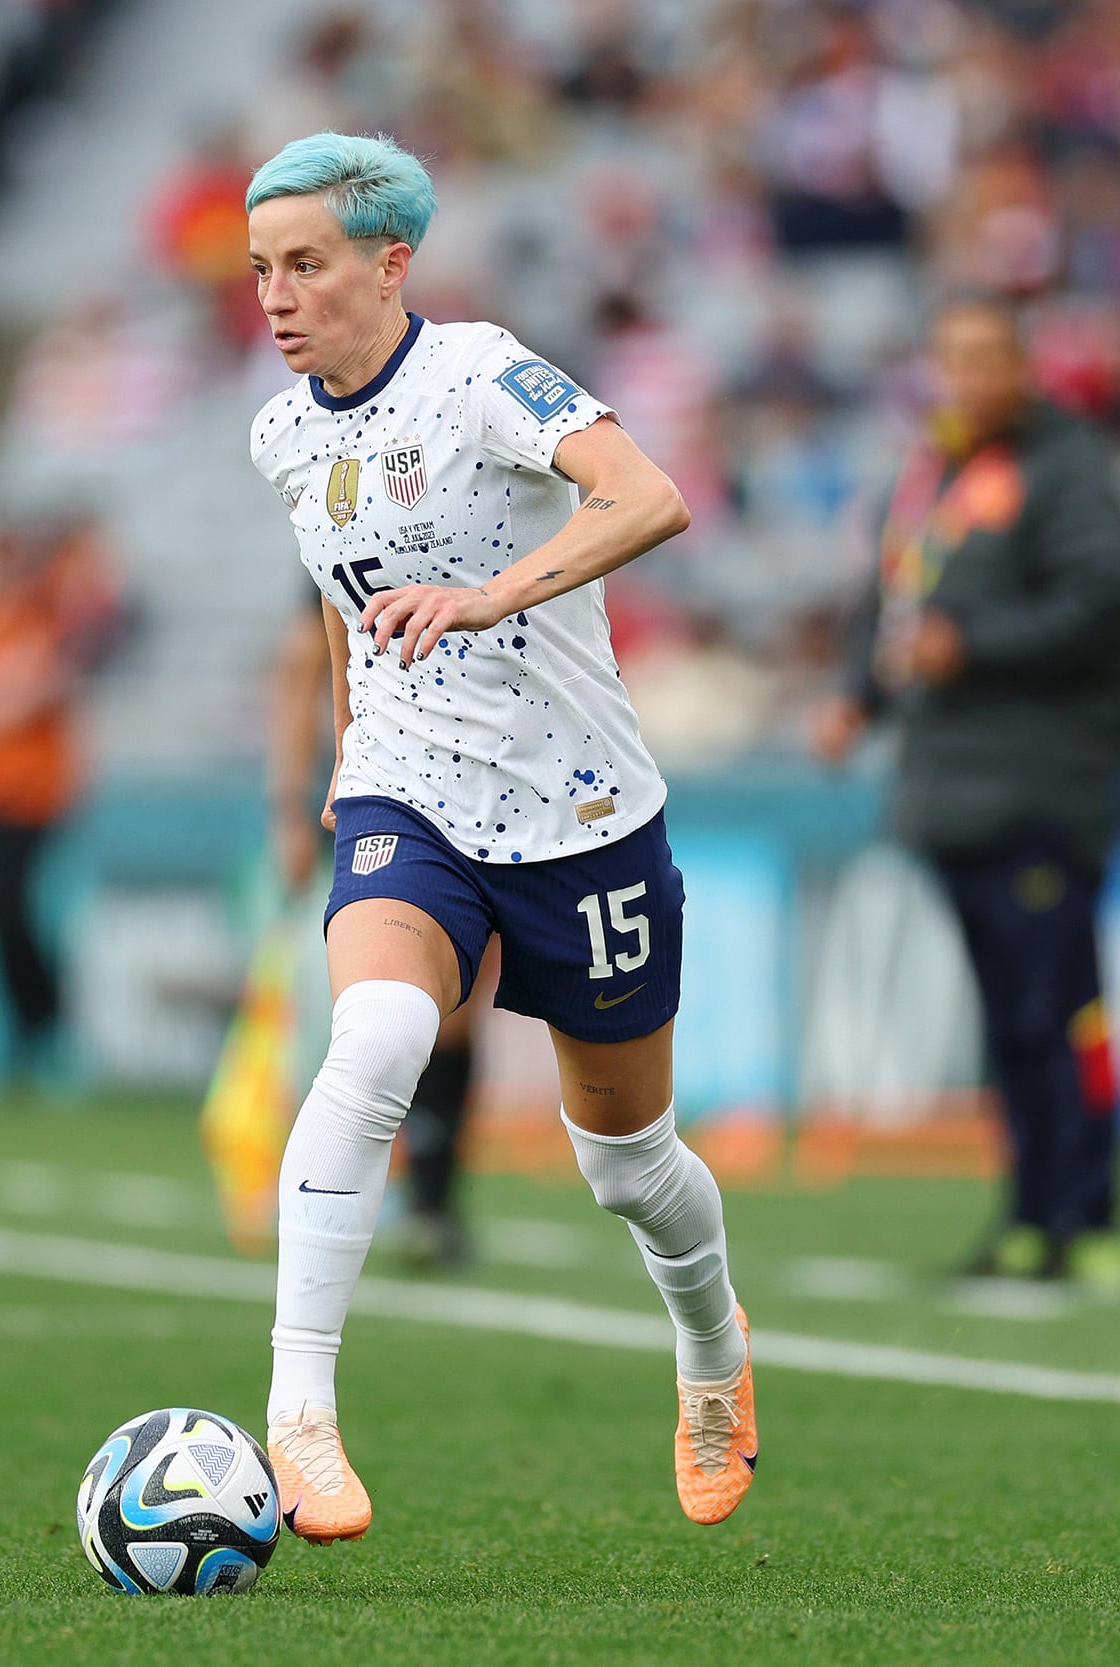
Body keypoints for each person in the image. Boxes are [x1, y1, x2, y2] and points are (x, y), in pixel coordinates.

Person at [245, 131, 754, 1543]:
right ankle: (300, 1413)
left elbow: (648, 493)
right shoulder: (283, 432)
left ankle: (712, 1353)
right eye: (261, 270)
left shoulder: (480, 372)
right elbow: (346, 621)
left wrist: (486, 594)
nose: (277, 297)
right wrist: (344, 771)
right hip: (406, 798)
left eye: (307, 264)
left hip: (582, 812)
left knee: (628, 1162)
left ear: (388, 261)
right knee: (380, 1039)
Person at [811, 294, 1120, 1288]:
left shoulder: (1067, 468)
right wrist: (855, 698)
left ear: (1022, 365)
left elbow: (1106, 608)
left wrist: (977, 647)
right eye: (949, 357)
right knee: (1009, 1018)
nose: (964, 376)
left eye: (984, 356)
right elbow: (891, 610)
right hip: (953, 788)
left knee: (1060, 1006)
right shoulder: (927, 476)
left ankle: (1085, 1216)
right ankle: (1026, 1212)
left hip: (1042, 783)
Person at [269, 604, 493, 1269]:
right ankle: (339, 1196)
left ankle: (429, 1196)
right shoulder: (346, 511)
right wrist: (288, 803)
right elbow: (304, 662)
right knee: (372, 1007)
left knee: (452, 1012)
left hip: (484, 783)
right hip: (380, 795)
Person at [0, 513, 120, 1084]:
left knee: (19, 912)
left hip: (35, 797)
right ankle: (28, 1027)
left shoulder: (35, 618)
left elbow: (26, 691)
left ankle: (47, 1018)